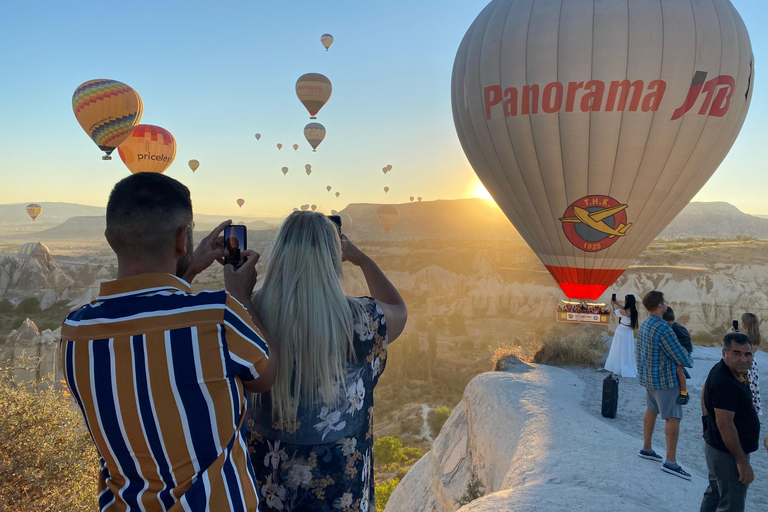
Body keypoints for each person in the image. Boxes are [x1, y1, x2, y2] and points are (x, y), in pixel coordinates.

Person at [60, 173, 277, 511]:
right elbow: (264, 376)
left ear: (109, 239)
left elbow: (149, 324)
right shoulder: (218, 314)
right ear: (182, 238)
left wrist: (186, 271)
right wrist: (240, 296)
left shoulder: (75, 330)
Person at [245, 211, 407, 512]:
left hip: (263, 487)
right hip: (339, 490)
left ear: (279, 254)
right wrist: (361, 258)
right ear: (333, 258)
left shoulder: (246, 315)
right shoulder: (360, 321)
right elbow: (398, 308)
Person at [635, 291, 694, 479]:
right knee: (673, 416)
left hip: (648, 378)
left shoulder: (645, 323)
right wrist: (688, 361)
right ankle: (670, 462)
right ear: (660, 306)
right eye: (664, 302)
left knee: (651, 410)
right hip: (665, 379)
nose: (666, 304)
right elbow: (679, 354)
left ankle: (647, 448)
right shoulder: (663, 328)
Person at [700, 333, 760, 512]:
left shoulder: (724, 370)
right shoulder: (726, 383)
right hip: (727, 453)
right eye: (737, 353)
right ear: (724, 353)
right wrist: (741, 462)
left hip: (715, 445)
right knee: (731, 504)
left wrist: (705, 422)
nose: (743, 359)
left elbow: (704, 390)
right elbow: (726, 424)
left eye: (747, 354)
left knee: (715, 493)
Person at [662, 306, 694, 405]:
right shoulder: (671, 327)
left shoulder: (678, 329)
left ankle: (684, 393)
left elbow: (686, 345)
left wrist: (682, 355)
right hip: (677, 351)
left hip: (684, 351)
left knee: (679, 369)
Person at [604, 294, 638, 378]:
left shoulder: (624, 311)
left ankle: (617, 366)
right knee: (626, 349)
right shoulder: (633, 311)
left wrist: (612, 304)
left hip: (622, 330)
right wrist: (617, 303)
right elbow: (625, 308)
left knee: (618, 348)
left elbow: (615, 312)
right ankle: (626, 365)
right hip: (628, 332)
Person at [738, 313, 761, 415]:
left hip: (744, 362)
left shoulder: (743, 337)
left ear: (744, 323)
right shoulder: (755, 337)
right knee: (752, 386)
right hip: (753, 363)